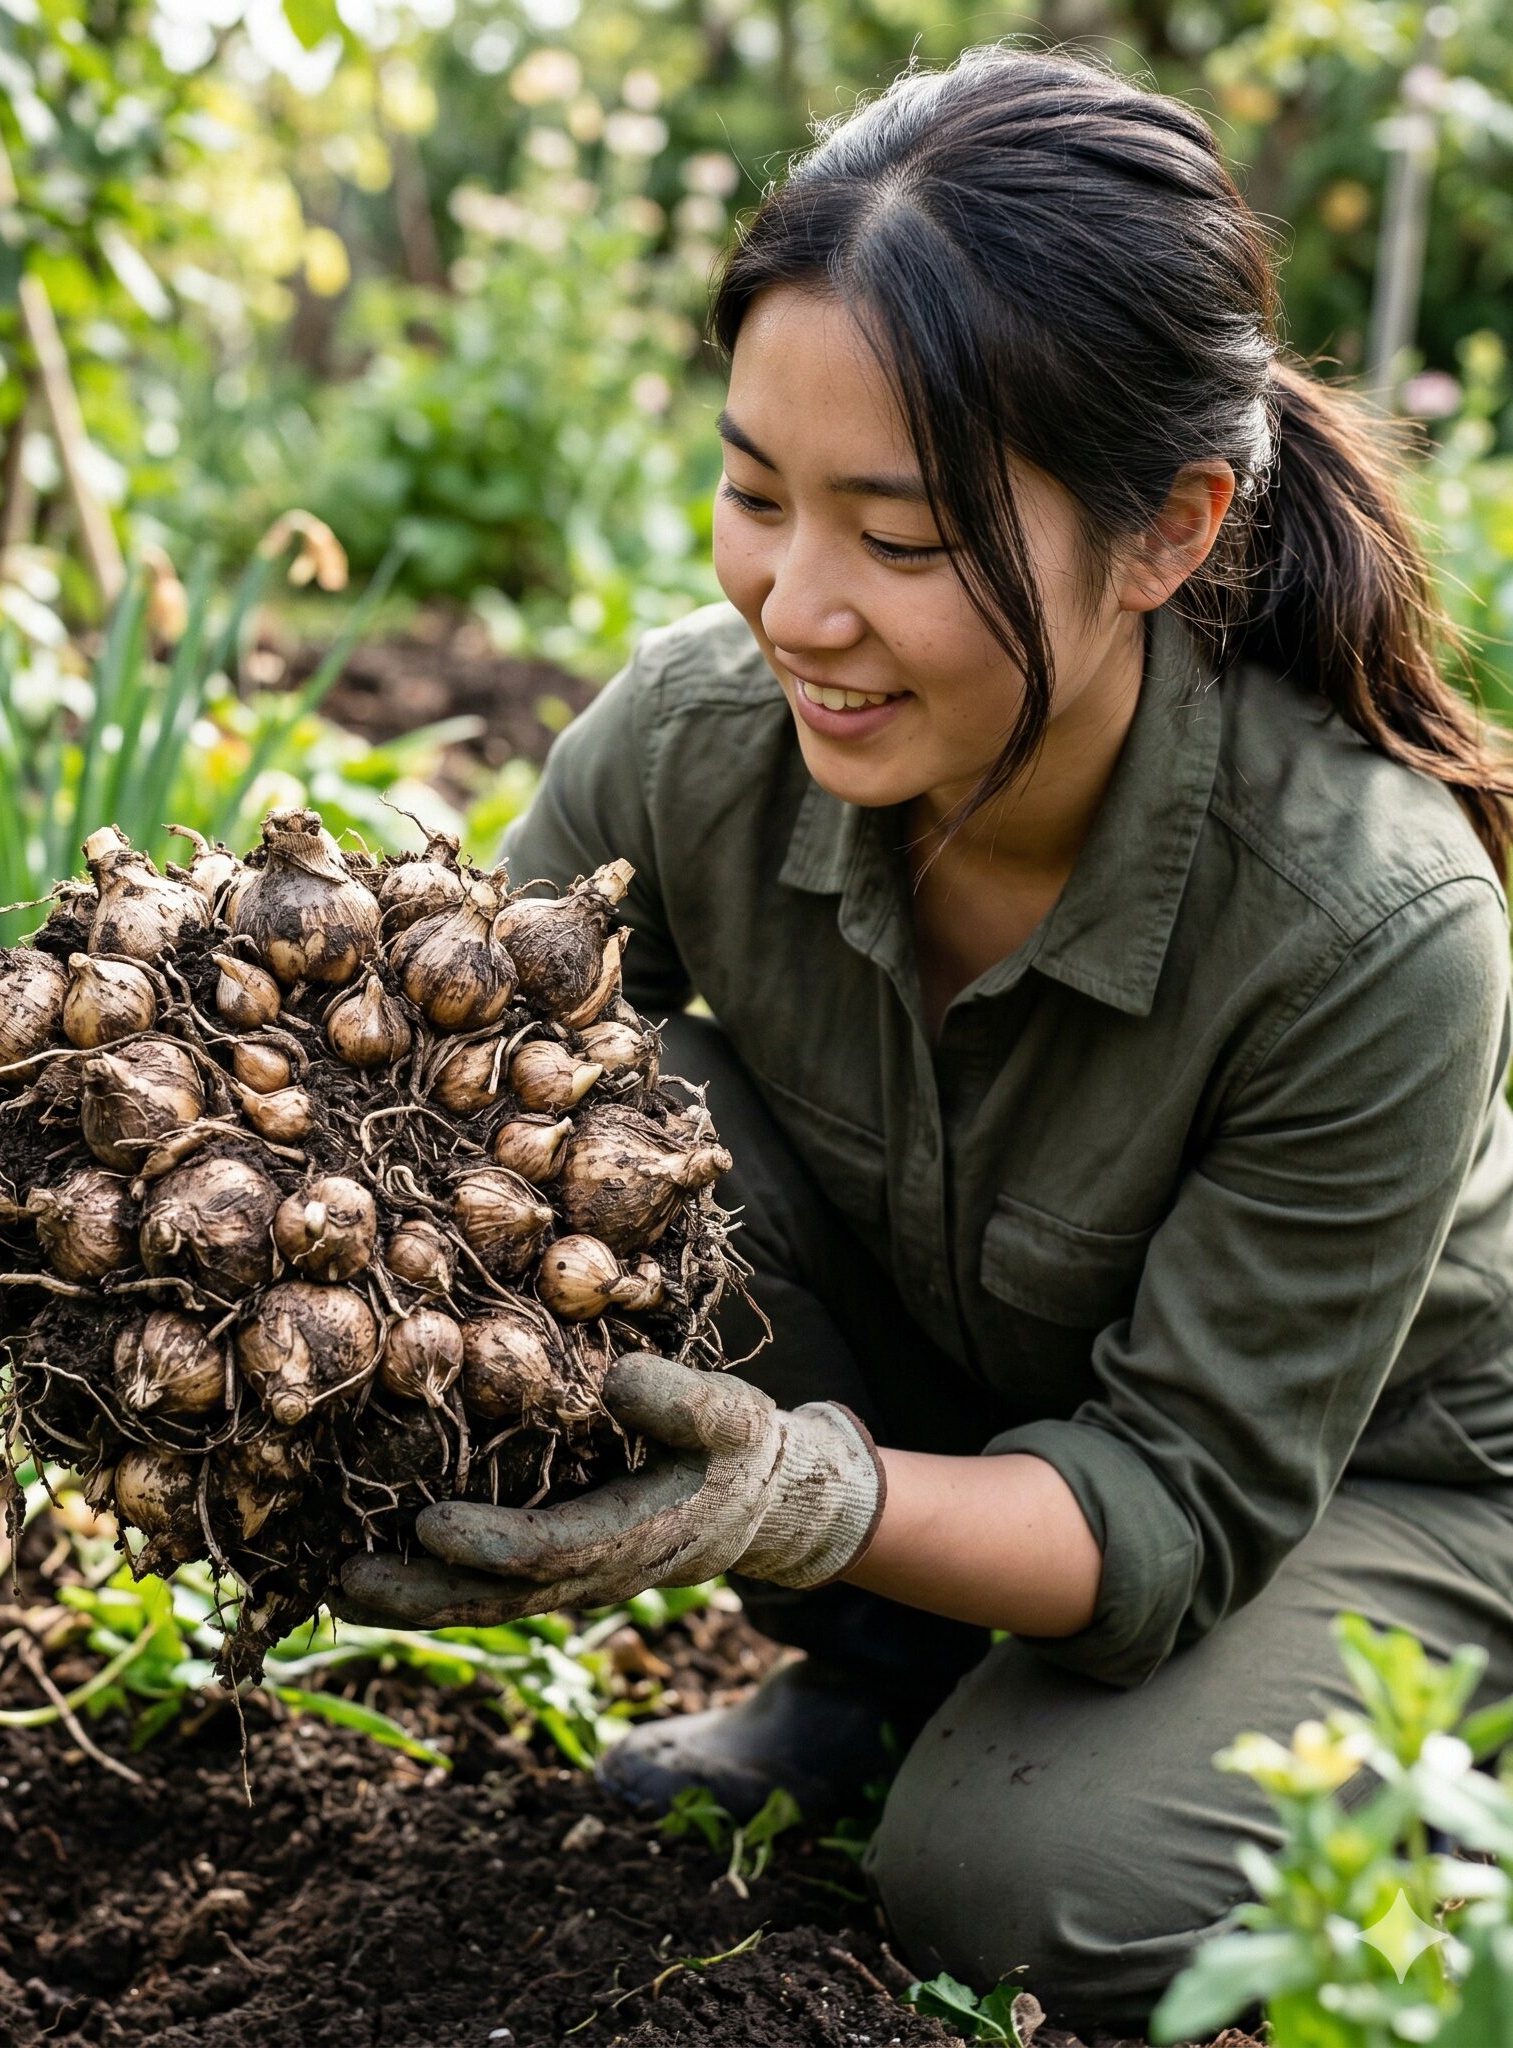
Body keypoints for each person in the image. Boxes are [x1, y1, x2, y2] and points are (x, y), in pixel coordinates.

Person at [329, 43, 1513, 2033]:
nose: (792, 604)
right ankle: (888, 1680)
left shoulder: (1373, 925)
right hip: (991, 1404)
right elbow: (429, 1096)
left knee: (1021, 1882)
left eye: (895, 537)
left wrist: (808, 1496)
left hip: (1371, 1484)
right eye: (750, 490)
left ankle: (1431, 1752)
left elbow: (1180, 1497)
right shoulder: (698, 744)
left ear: (1163, 533)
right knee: (625, 1126)